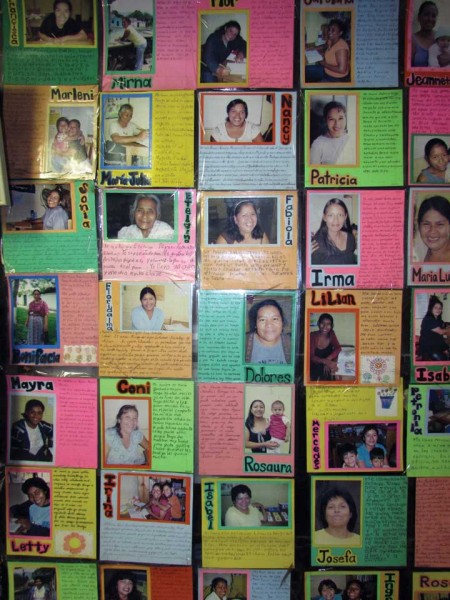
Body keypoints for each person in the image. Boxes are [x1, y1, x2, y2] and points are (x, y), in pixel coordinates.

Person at [245, 298, 291, 364]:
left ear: (282, 322)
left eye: (275, 319)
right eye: (262, 320)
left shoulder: (292, 344)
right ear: (255, 324)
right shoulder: (243, 344)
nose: (269, 325)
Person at [311, 198, 356, 265]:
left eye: (340, 215)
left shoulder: (350, 238)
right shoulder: (317, 243)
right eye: (331, 215)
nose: (336, 220)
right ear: (324, 217)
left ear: (345, 217)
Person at [310, 101, 355, 165]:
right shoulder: (318, 144)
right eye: (331, 119)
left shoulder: (353, 140)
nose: (337, 124)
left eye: (340, 118)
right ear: (325, 120)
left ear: (346, 118)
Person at [306, 18, 350, 83]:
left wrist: (324, 63)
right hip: (326, 71)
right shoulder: (331, 40)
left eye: (333, 30)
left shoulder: (341, 47)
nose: (329, 32)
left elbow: (342, 70)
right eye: (329, 29)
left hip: (336, 78)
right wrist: (314, 48)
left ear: (340, 33)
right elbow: (325, 46)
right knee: (304, 70)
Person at [416, 195, 450, 263]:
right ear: (419, 226)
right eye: (426, 224)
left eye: (440, 224)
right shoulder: (422, 251)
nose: (432, 231)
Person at [309, 313, 342, 381]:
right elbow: (311, 357)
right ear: (318, 324)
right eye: (322, 323)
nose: (325, 327)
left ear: (332, 325)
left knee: (339, 377)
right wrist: (325, 361)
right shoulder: (312, 336)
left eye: (328, 324)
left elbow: (338, 348)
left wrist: (328, 359)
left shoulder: (331, 333)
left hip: (328, 365)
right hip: (316, 366)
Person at [418, 295, 450, 361]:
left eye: (440, 308)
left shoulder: (438, 319)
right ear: (431, 308)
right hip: (428, 349)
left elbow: (444, 325)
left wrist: (447, 326)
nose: (438, 310)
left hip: (436, 346)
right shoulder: (428, 319)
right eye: (435, 308)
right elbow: (441, 331)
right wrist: (448, 329)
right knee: (442, 359)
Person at [412, 1, 439, 67]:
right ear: (419, 17)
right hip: (417, 77)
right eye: (426, 14)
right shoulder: (412, 40)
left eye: (433, 16)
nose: (430, 19)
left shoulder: (441, 37)